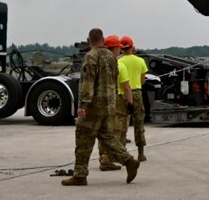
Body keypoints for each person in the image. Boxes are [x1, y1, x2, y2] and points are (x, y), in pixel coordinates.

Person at [62, 28, 139, 186]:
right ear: (103, 40)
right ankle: (129, 161)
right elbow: (114, 78)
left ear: (89, 40)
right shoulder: (112, 57)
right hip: (109, 104)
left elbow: (87, 82)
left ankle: (80, 174)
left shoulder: (91, 56)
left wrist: (83, 105)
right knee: (106, 136)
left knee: (83, 137)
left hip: (94, 105)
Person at [97, 35, 132, 172]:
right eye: (119, 48)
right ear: (116, 48)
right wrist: (130, 103)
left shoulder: (99, 62)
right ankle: (108, 159)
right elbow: (126, 87)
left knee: (103, 129)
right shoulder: (119, 65)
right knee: (116, 130)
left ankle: (103, 157)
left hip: (101, 100)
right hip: (116, 100)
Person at [118, 35, 149, 162]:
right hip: (136, 93)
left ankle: (123, 154)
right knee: (139, 123)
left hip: (122, 94)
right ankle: (141, 153)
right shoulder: (140, 61)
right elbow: (142, 81)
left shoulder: (119, 62)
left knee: (122, 124)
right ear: (132, 46)